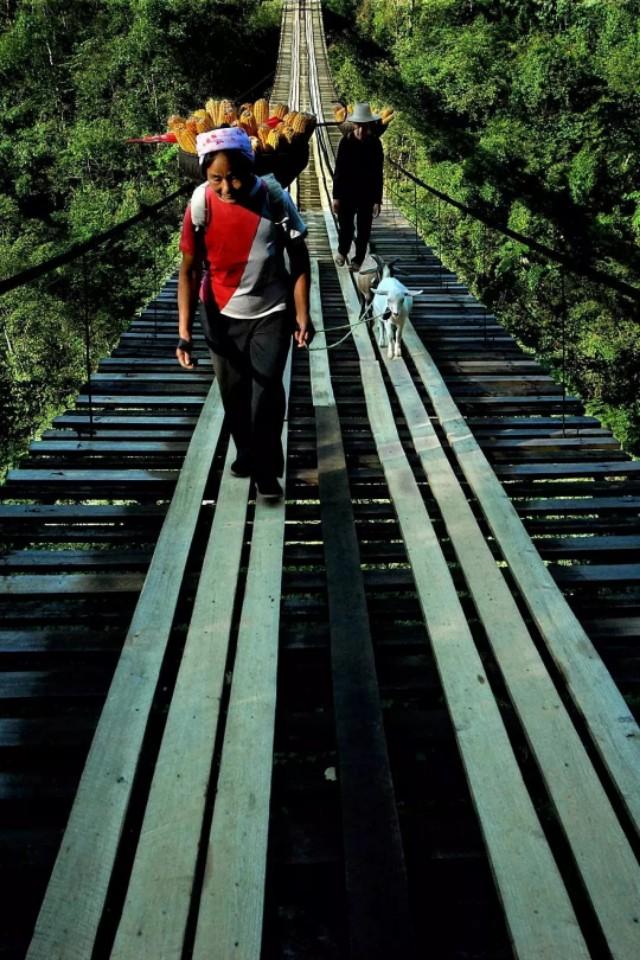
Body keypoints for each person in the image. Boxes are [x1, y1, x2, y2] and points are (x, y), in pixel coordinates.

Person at [176, 126, 313, 500]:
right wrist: (184, 332)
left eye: (234, 176)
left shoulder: (273, 196)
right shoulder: (200, 204)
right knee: (234, 393)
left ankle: (266, 474)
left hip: (272, 310)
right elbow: (188, 270)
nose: (226, 187)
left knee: (266, 392)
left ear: (250, 169)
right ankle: (247, 451)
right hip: (218, 313)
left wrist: (304, 313)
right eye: (216, 178)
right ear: (206, 175)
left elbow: (300, 258)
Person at [332, 103, 384, 272]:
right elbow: (339, 170)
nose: (361, 130)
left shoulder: (375, 144)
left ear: (369, 126)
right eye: (358, 126)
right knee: (345, 225)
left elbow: (378, 172)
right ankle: (342, 250)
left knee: (364, 228)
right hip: (347, 191)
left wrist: (377, 200)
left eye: (364, 126)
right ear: (354, 125)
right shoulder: (346, 142)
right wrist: (336, 196)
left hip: (367, 192)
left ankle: (358, 258)